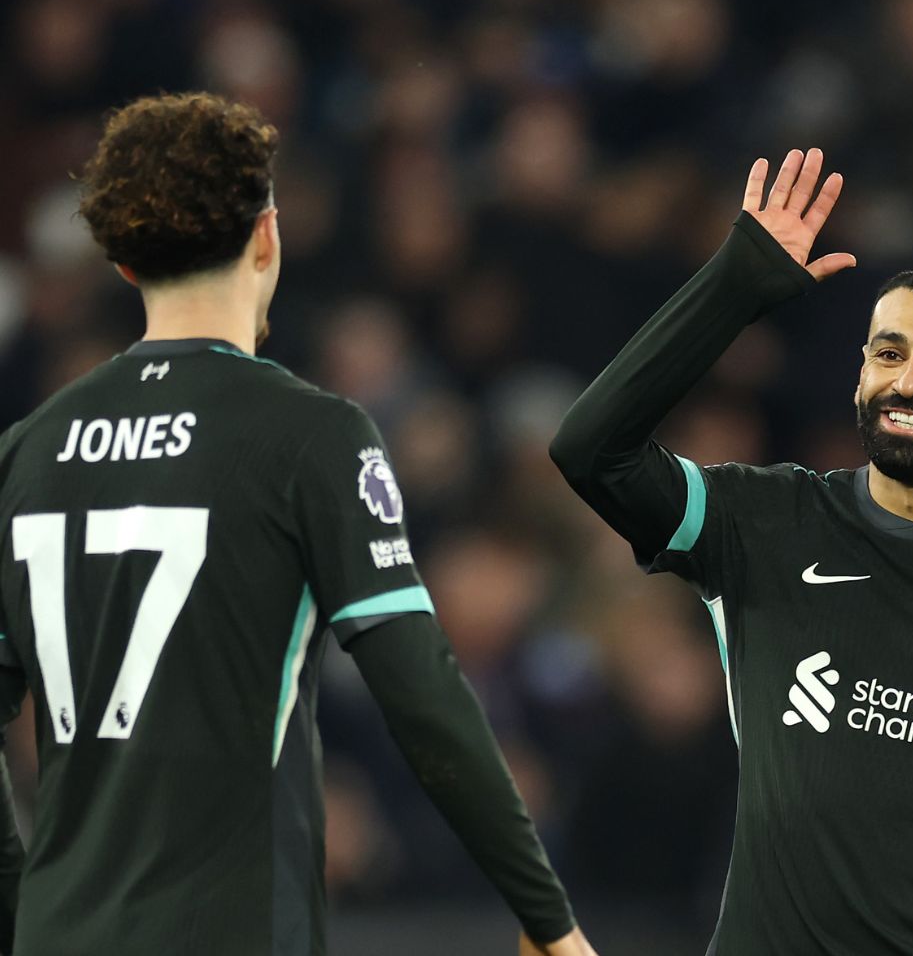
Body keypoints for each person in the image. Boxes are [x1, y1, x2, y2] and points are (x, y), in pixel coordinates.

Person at [0, 93, 595, 956]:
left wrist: (22, 913)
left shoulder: (24, 453)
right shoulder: (308, 435)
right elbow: (421, 695)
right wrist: (548, 918)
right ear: (268, 237)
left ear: (125, 264)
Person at [550, 146, 913, 955]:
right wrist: (736, 286)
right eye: (889, 352)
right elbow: (590, 451)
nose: (909, 380)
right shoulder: (764, 521)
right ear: (859, 371)